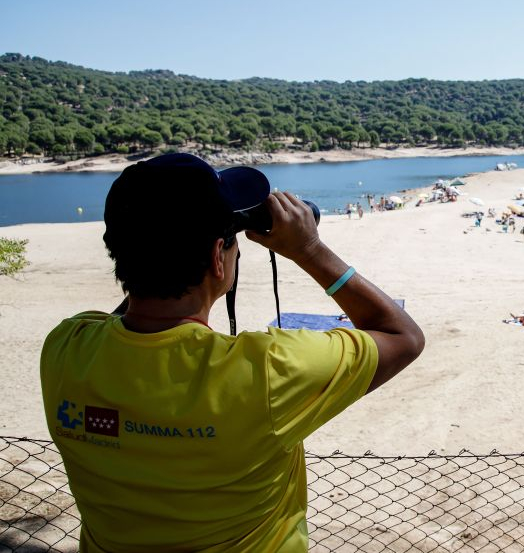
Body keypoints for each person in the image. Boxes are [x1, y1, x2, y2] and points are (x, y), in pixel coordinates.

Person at [40, 154, 425, 552]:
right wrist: (308, 248)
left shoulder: (66, 348)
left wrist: (161, 250)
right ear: (215, 259)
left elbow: (134, 310)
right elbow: (402, 335)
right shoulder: (268, 371)